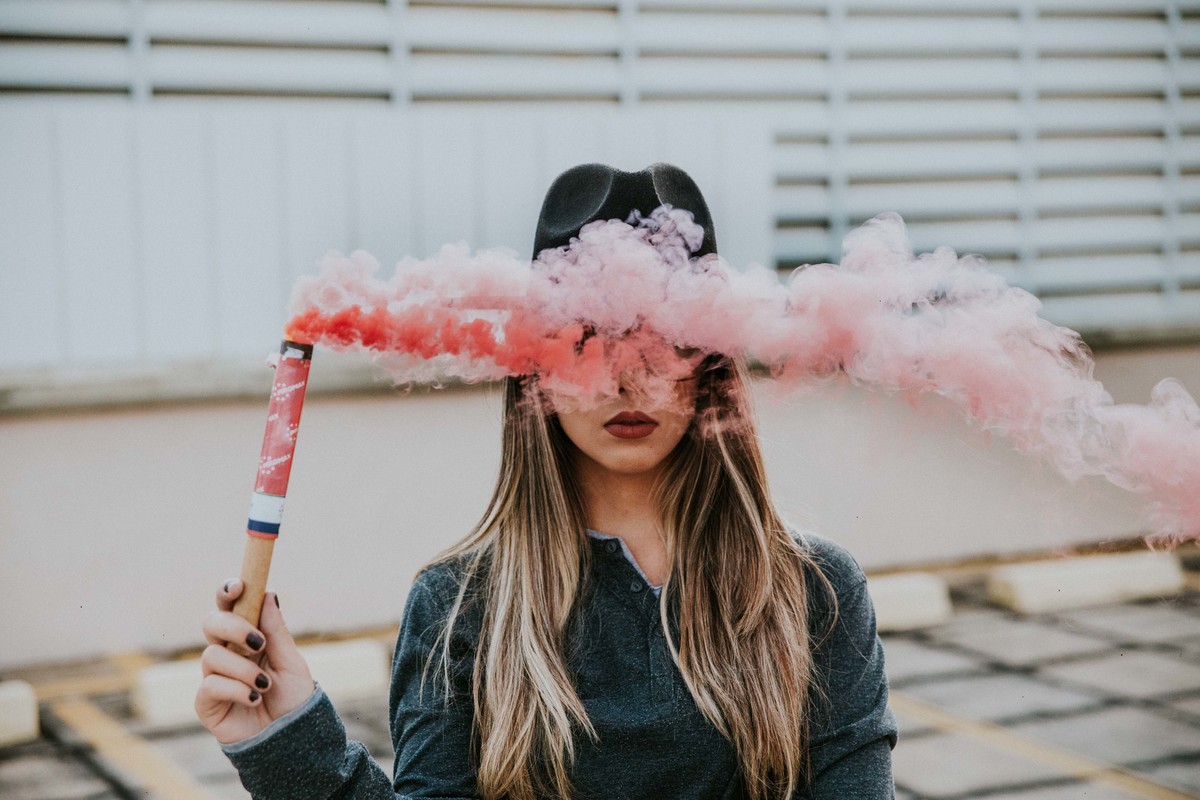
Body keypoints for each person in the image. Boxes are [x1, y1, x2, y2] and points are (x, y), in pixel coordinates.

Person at [196, 163, 898, 799]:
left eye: (664, 336)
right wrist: (289, 740)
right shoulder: (457, 608)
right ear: (535, 368)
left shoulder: (816, 592)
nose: (628, 378)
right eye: (588, 338)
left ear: (710, 365)